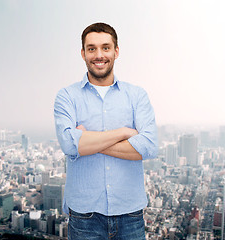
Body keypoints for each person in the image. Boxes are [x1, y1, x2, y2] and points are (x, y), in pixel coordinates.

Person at [54, 22, 158, 240]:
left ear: (116, 51)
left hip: (130, 214)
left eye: (105, 47)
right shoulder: (67, 96)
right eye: (91, 48)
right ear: (83, 53)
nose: (98, 55)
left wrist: (87, 142)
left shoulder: (137, 96)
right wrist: (123, 132)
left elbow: (148, 146)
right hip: (84, 216)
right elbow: (69, 144)